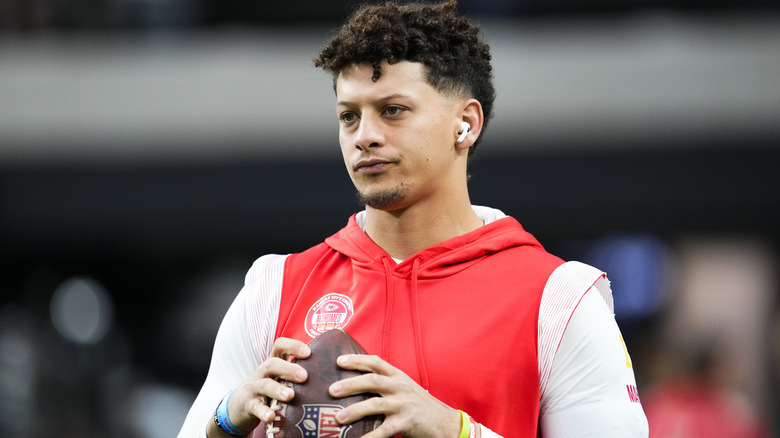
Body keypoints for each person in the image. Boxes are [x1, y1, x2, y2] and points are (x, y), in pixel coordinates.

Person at [178, 1, 649, 437]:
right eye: (349, 117)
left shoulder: (559, 299)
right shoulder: (274, 287)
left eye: (392, 111)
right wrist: (226, 419)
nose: (364, 136)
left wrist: (453, 429)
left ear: (466, 123)